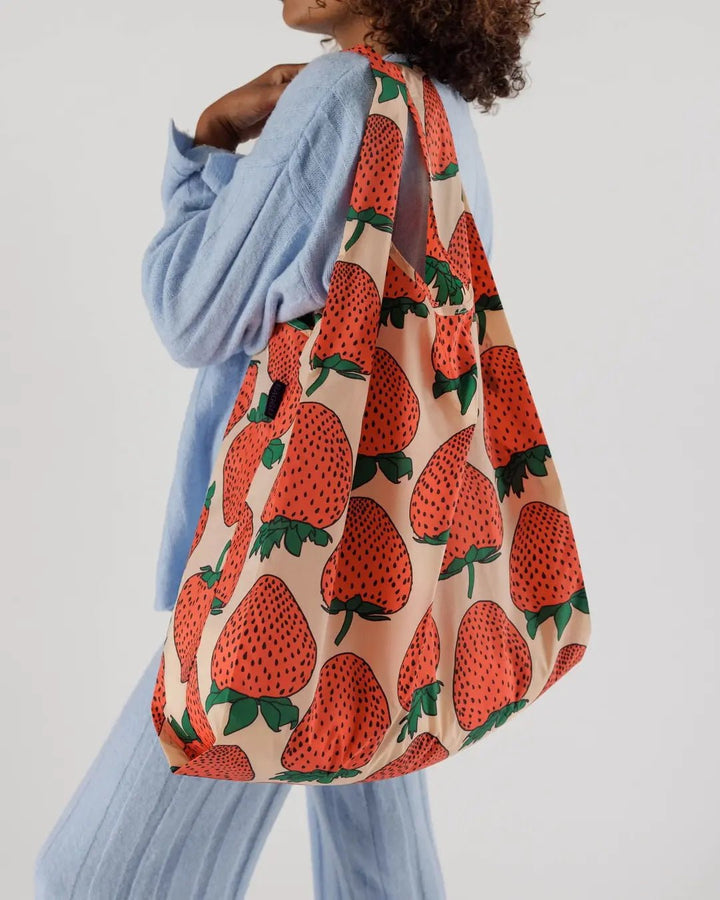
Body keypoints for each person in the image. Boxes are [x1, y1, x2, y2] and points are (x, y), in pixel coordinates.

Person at [34, 1, 540, 896]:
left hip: (278, 560)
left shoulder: (338, 95)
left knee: (94, 878)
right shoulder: (442, 109)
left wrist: (207, 142)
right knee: (381, 872)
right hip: (394, 568)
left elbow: (191, 313)